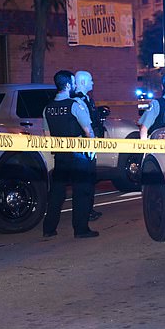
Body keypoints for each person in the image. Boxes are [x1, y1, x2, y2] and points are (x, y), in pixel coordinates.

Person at [42, 70, 98, 239]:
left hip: (60, 156)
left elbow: (47, 135)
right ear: (67, 85)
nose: (75, 86)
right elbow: (88, 131)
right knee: (81, 191)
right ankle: (81, 230)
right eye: (73, 83)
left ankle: (49, 228)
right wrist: (92, 150)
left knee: (57, 193)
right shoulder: (75, 104)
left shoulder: (48, 108)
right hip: (78, 155)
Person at [75, 70, 102, 221]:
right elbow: (86, 125)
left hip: (89, 144)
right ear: (84, 82)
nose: (93, 83)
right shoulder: (78, 101)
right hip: (84, 146)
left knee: (90, 179)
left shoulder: (86, 99)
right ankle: (85, 212)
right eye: (91, 80)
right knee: (85, 180)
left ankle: (88, 209)